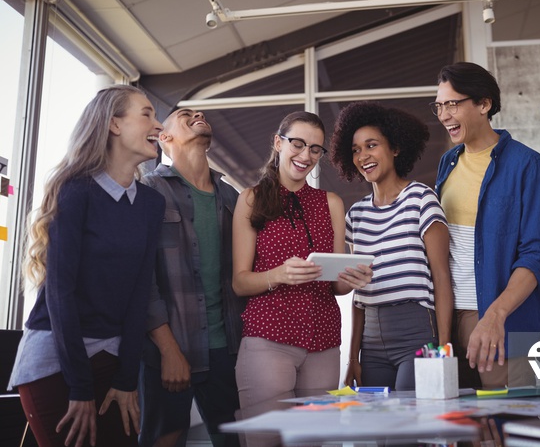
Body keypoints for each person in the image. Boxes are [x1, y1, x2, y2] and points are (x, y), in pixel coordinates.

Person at [8, 85, 165, 447]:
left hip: (112, 360)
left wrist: (127, 379)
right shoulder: (76, 190)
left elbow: (140, 292)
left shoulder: (151, 204)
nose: (158, 125)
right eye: (147, 114)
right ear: (114, 125)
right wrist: (79, 386)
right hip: (56, 361)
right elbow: (60, 293)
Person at [232, 111, 372, 410]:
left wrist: (350, 280)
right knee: (265, 440)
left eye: (314, 149)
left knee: (313, 439)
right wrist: (279, 274)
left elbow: (336, 285)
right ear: (278, 143)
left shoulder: (331, 203)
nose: (305, 155)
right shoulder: (250, 199)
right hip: (268, 336)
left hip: (323, 339)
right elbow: (240, 282)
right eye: (297, 143)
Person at [433, 62, 540, 388]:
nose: (444, 114)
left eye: (452, 104)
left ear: (484, 104)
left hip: (501, 320)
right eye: (439, 106)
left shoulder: (527, 165)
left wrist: (495, 315)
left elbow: (539, 253)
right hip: (451, 316)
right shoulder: (448, 163)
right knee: (463, 427)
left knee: (506, 422)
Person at [138, 109, 246, 447]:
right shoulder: (148, 191)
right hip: (168, 349)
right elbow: (142, 281)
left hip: (227, 351)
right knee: (164, 439)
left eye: (199, 113)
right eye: (185, 115)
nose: (198, 114)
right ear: (164, 137)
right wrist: (169, 349)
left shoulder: (233, 197)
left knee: (233, 440)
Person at [330, 102, 453, 390]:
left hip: (416, 330)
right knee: (383, 433)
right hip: (371, 342)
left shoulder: (421, 199)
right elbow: (359, 296)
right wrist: (353, 357)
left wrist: (444, 348)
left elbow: (441, 277)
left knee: (410, 431)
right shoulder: (356, 215)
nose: (363, 156)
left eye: (371, 145)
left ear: (395, 148)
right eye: (356, 150)